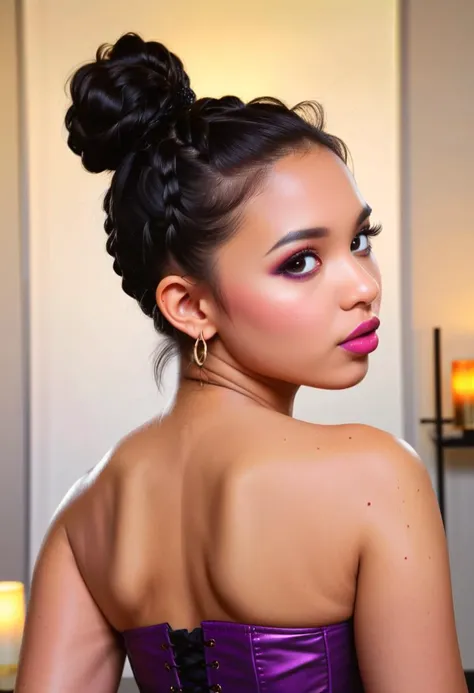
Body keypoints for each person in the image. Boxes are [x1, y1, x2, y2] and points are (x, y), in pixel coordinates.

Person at [16, 32, 466, 693]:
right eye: (300, 261)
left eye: (358, 240)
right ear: (191, 306)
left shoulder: (84, 517)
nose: (364, 285)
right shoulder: (376, 475)